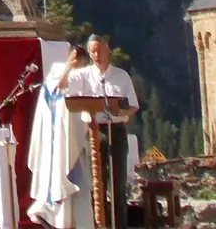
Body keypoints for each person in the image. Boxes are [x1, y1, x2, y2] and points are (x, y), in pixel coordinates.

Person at [65, 36, 137, 229]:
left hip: (116, 130)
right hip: (94, 131)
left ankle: (119, 226)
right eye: (93, 52)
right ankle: (99, 225)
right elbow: (62, 86)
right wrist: (69, 65)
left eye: (99, 50)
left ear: (108, 51)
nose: (96, 55)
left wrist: (121, 111)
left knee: (117, 185)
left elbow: (133, 105)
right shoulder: (83, 75)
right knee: (97, 187)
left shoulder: (121, 76)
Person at [27, 46, 93, 229]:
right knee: (57, 180)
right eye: (73, 57)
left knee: (79, 185)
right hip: (56, 138)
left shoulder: (84, 76)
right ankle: (55, 220)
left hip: (74, 139)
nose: (76, 61)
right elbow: (55, 91)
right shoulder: (58, 71)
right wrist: (68, 68)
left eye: (79, 60)